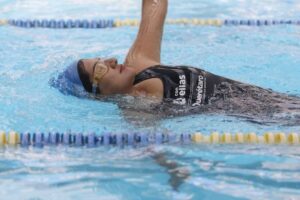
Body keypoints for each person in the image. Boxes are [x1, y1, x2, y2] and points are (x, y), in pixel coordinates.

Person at [52, 0, 300, 125]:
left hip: (276, 99)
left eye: (104, 58)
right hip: (271, 119)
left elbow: (154, 6)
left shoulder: (141, 61)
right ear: (97, 94)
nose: (112, 59)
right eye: (101, 66)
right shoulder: (137, 113)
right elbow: (158, 151)